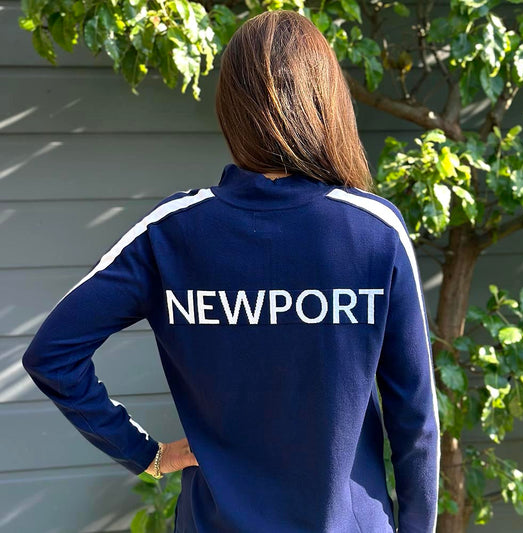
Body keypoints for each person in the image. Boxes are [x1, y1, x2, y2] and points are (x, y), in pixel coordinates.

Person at [21, 9, 440, 533]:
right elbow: (415, 422)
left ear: (231, 106)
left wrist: (144, 454)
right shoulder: (373, 229)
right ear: (326, 100)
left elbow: (52, 355)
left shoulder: (172, 230)